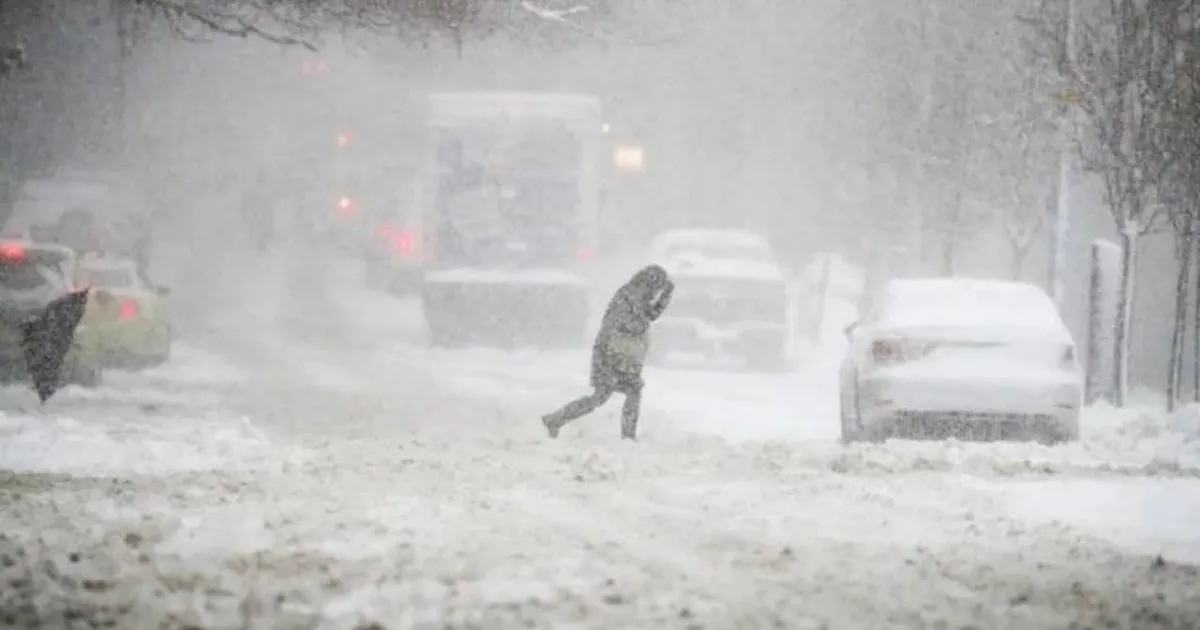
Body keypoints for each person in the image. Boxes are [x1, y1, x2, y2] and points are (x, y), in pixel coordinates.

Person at [542, 264, 675, 441]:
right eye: (657, 288)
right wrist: (639, 329)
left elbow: (650, 315)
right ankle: (627, 435)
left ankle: (556, 419)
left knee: (603, 396)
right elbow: (632, 323)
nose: (655, 292)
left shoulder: (636, 295)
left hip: (617, 353)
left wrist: (665, 298)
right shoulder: (629, 296)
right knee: (625, 391)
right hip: (611, 353)